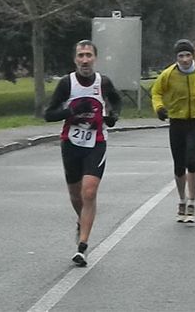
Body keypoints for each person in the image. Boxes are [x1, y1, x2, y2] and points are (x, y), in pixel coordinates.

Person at [44, 40, 122, 267]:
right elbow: (49, 114)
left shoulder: (103, 82)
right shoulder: (66, 84)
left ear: (95, 58)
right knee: (76, 195)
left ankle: (82, 246)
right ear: (75, 59)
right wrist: (71, 111)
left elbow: (115, 101)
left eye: (89, 55)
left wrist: (113, 116)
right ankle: (82, 221)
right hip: (71, 143)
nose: (85, 60)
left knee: (89, 192)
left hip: (96, 142)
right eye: (81, 56)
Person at [151, 39, 195, 222]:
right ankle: (181, 199)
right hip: (177, 121)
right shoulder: (168, 74)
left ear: (193, 56)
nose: (185, 59)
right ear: (176, 58)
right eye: (181, 56)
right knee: (179, 164)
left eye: (188, 55)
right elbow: (156, 92)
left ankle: (192, 201)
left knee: (191, 160)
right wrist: (159, 108)